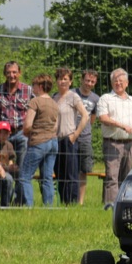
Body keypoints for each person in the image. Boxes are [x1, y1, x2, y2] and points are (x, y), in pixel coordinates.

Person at [0, 61, 32, 204]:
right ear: (4, 73)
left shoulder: (28, 90)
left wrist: (30, 127)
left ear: (19, 73)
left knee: (21, 169)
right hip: (3, 136)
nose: (12, 75)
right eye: (9, 72)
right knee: (0, 166)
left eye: (14, 72)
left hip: (22, 133)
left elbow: (37, 110)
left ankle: (19, 199)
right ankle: (0, 199)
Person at [97, 68, 132, 204]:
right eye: (115, 81)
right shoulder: (105, 98)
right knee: (112, 176)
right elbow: (103, 118)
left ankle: (125, 204)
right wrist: (122, 125)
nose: (118, 83)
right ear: (111, 82)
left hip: (130, 143)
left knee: (127, 176)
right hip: (112, 142)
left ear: (127, 83)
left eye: (121, 81)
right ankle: (111, 206)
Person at [19, 74, 59, 207]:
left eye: (34, 85)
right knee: (47, 177)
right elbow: (55, 126)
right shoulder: (54, 104)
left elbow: (27, 125)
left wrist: (27, 133)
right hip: (53, 142)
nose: (32, 88)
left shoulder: (35, 101)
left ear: (40, 86)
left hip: (38, 142)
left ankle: (28, 207)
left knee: (25, 176)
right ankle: (49, 207)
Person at [53, 67, 89, 205]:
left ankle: (72, 203)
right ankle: (63, 202)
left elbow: (85, 116)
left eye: (65, 79)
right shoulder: (54, 97)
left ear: (71, 81)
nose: (62, 81)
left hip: (69, 140)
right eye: (60, 78)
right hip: (56, 140)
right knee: (60, 174)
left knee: (71, 174)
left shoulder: (73, 96)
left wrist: (75, 135)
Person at [75, 69, 100, 205]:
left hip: (85, 138)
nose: (89, 83)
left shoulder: (96, 99)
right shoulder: (72, 94)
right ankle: (69, 199)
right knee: (69, 169)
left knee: (83, 171)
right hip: (70, 137)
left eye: (92, 82)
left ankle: (80, 201)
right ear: (82, 79)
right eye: (87, 80)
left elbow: (92, 119)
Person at [0, 121, 16, 207]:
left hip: (5, 170)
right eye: (1, 132)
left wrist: (10, 167)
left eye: (6, 133)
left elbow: (11, 159)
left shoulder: (9, 145)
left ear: (9, 134)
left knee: (9, 179)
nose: (3, 135)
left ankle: (5, 205)